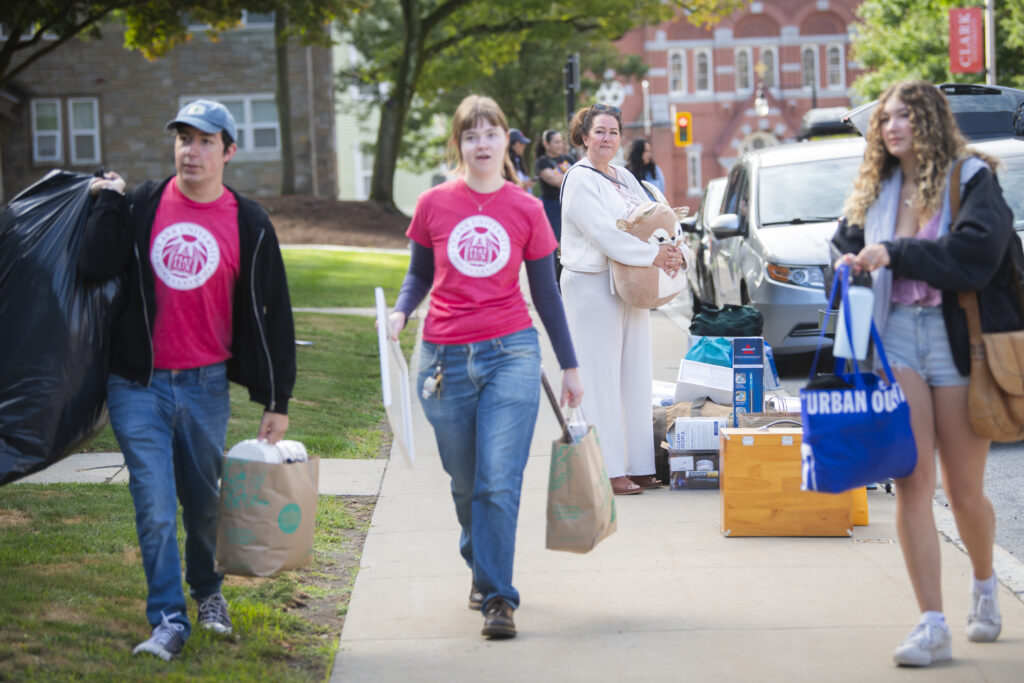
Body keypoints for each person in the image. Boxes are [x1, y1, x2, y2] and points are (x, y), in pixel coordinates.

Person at [77, 99, 296, 661]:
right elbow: (93, 266)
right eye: (183, 138)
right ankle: (168, 617)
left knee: (201, 505)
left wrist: (278, 398)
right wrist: (106, 202)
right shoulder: (144, 203)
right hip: (138, 385)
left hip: (204, 387)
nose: (190, 150)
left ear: (228, 151)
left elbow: (276, 310)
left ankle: (208, 591)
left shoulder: (249, 222)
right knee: (153, 503)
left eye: (204, 140)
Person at [831, 80, 1021, 667]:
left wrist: (899, 253)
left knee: (962, 491)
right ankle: (931, 623)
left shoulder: (971, 181)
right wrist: (845, 258)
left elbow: (975, 257)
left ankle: (985, 584)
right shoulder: (874, 186)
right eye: (886, 118)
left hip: (956, 339)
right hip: (894, 338)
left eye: (906, 116)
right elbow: (847, 239)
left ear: (931, 121)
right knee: (912, 479)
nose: (893, 126)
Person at [386, 94, 583, 640]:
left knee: (498, 482)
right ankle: (482, 562)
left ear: (504, 141)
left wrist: (570, 365)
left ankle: (499, 595)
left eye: (490, 133)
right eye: (470, 135)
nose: (481, 143)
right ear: (459, 144)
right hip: (443, 358)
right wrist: (402, 311)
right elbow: (418, 274)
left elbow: (546, 293)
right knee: (466, 482)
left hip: (511, 354)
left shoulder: (525, 208)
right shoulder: (432, 204)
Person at [559, 103, 684, 496]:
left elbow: (656, 216)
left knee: (634, 375)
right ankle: (607, 469)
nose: (606, 138)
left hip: (631, 283)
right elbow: (604, 234)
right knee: (599, 379)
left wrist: (674, 247)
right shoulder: (579, 179)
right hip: (592, 285)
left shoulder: (626, 176)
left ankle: (640, 464)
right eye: (598, 131)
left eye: (613, 132)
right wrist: (654, 255)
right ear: (583, 136)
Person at [534, 129, 575, 282]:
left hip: (568, 207)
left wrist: (564, 176)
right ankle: (553, 282)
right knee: (553, 246)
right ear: (546, 144)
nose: (560, 145)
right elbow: (555, 181)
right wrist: (571, 174)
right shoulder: (542, 162)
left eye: (561, 141)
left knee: (569, 243)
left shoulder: (568, 158)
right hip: (550, 208)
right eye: (556, 142)